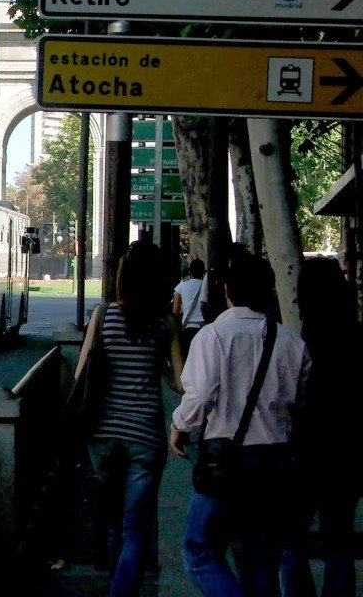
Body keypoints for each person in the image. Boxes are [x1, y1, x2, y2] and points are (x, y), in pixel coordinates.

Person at [170, 248, 311, 597]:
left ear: (228, 291)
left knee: (199, 551)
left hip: (227, 459)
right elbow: (299, 398)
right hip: (276, 459)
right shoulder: (291, 341)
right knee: (260, 558)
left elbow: (199, 395)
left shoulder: (213, 337)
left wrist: (179, 426)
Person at [73, 239, 184, 597]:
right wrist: (159, 369)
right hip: (146, 438)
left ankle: (113, 582)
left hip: (102, 433)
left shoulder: (102, 316)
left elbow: (80, 375)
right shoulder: (164, 324)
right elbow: (182, 382)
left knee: (113, 517)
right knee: (137, 526)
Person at [280, 256, 361, 597]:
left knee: (290, 540)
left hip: (306, 450)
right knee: (338, 540)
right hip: (350, 450)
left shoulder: (300, 343)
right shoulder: (356, 338)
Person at [172, 257, 207, 360]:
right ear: (203, 271)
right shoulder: (206, 286)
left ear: (190, 271)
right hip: (204, 329)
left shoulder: (181, 286)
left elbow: (176, 311)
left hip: (188, 329)